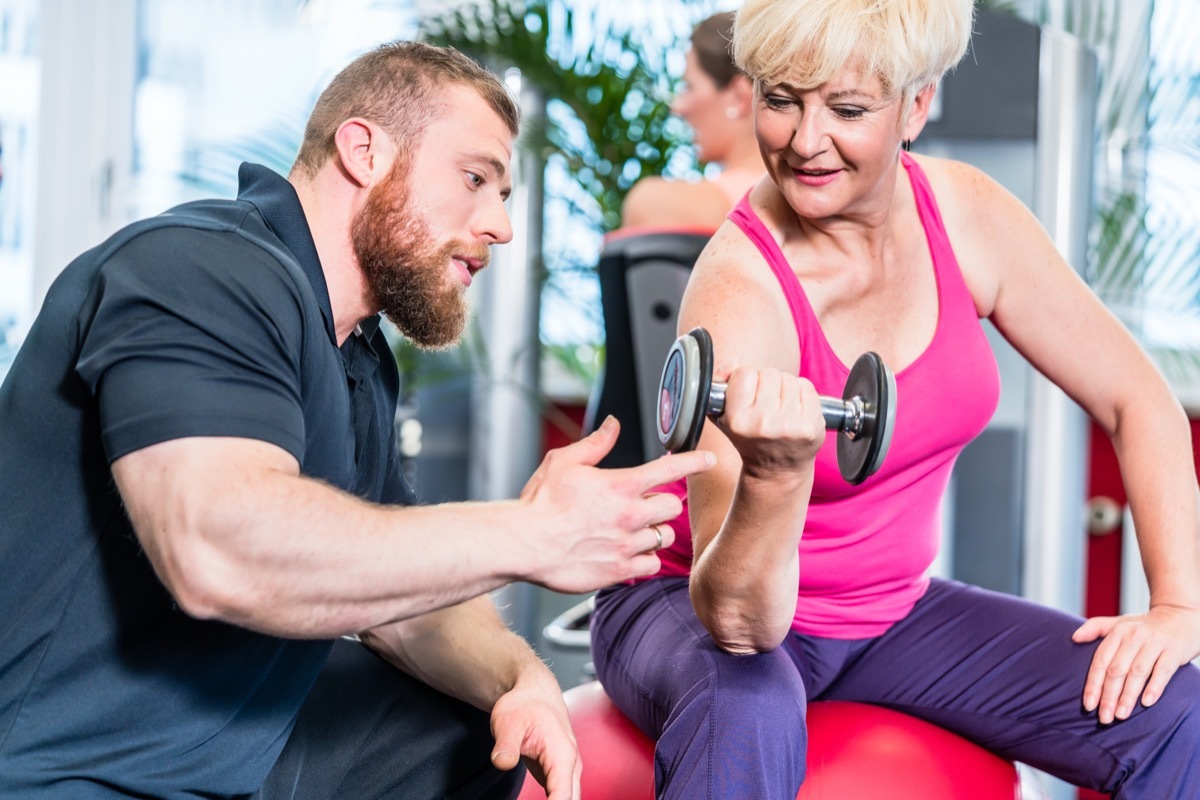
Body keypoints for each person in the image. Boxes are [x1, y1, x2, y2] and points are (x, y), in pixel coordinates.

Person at [0, 41, 715, 800]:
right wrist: (530, 533)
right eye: (475, 179)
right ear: (363, 150)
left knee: (469, 733)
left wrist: (521, 677)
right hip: (63, 766)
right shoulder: (196, 269)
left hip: (229, 750)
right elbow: (218, 550)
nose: (501, 226)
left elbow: (408, 609)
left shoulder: (357, 356)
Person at [589, 1, 1200, 798]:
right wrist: (776, 478)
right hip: (694, 602)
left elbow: (1136, 396)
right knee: (749, 703)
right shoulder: (741, 288)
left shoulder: (965, 215)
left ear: (917, 103)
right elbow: (739, 623)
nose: (806, 142)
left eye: (846, 109)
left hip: (890, 614)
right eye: (780, 100)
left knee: (1176, 710)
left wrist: (1178, 606)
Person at [619, 11, 763, 231]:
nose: (677, 107)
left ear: (739, 96)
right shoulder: (816, 212)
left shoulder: (656, 205)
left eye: (689, 87)